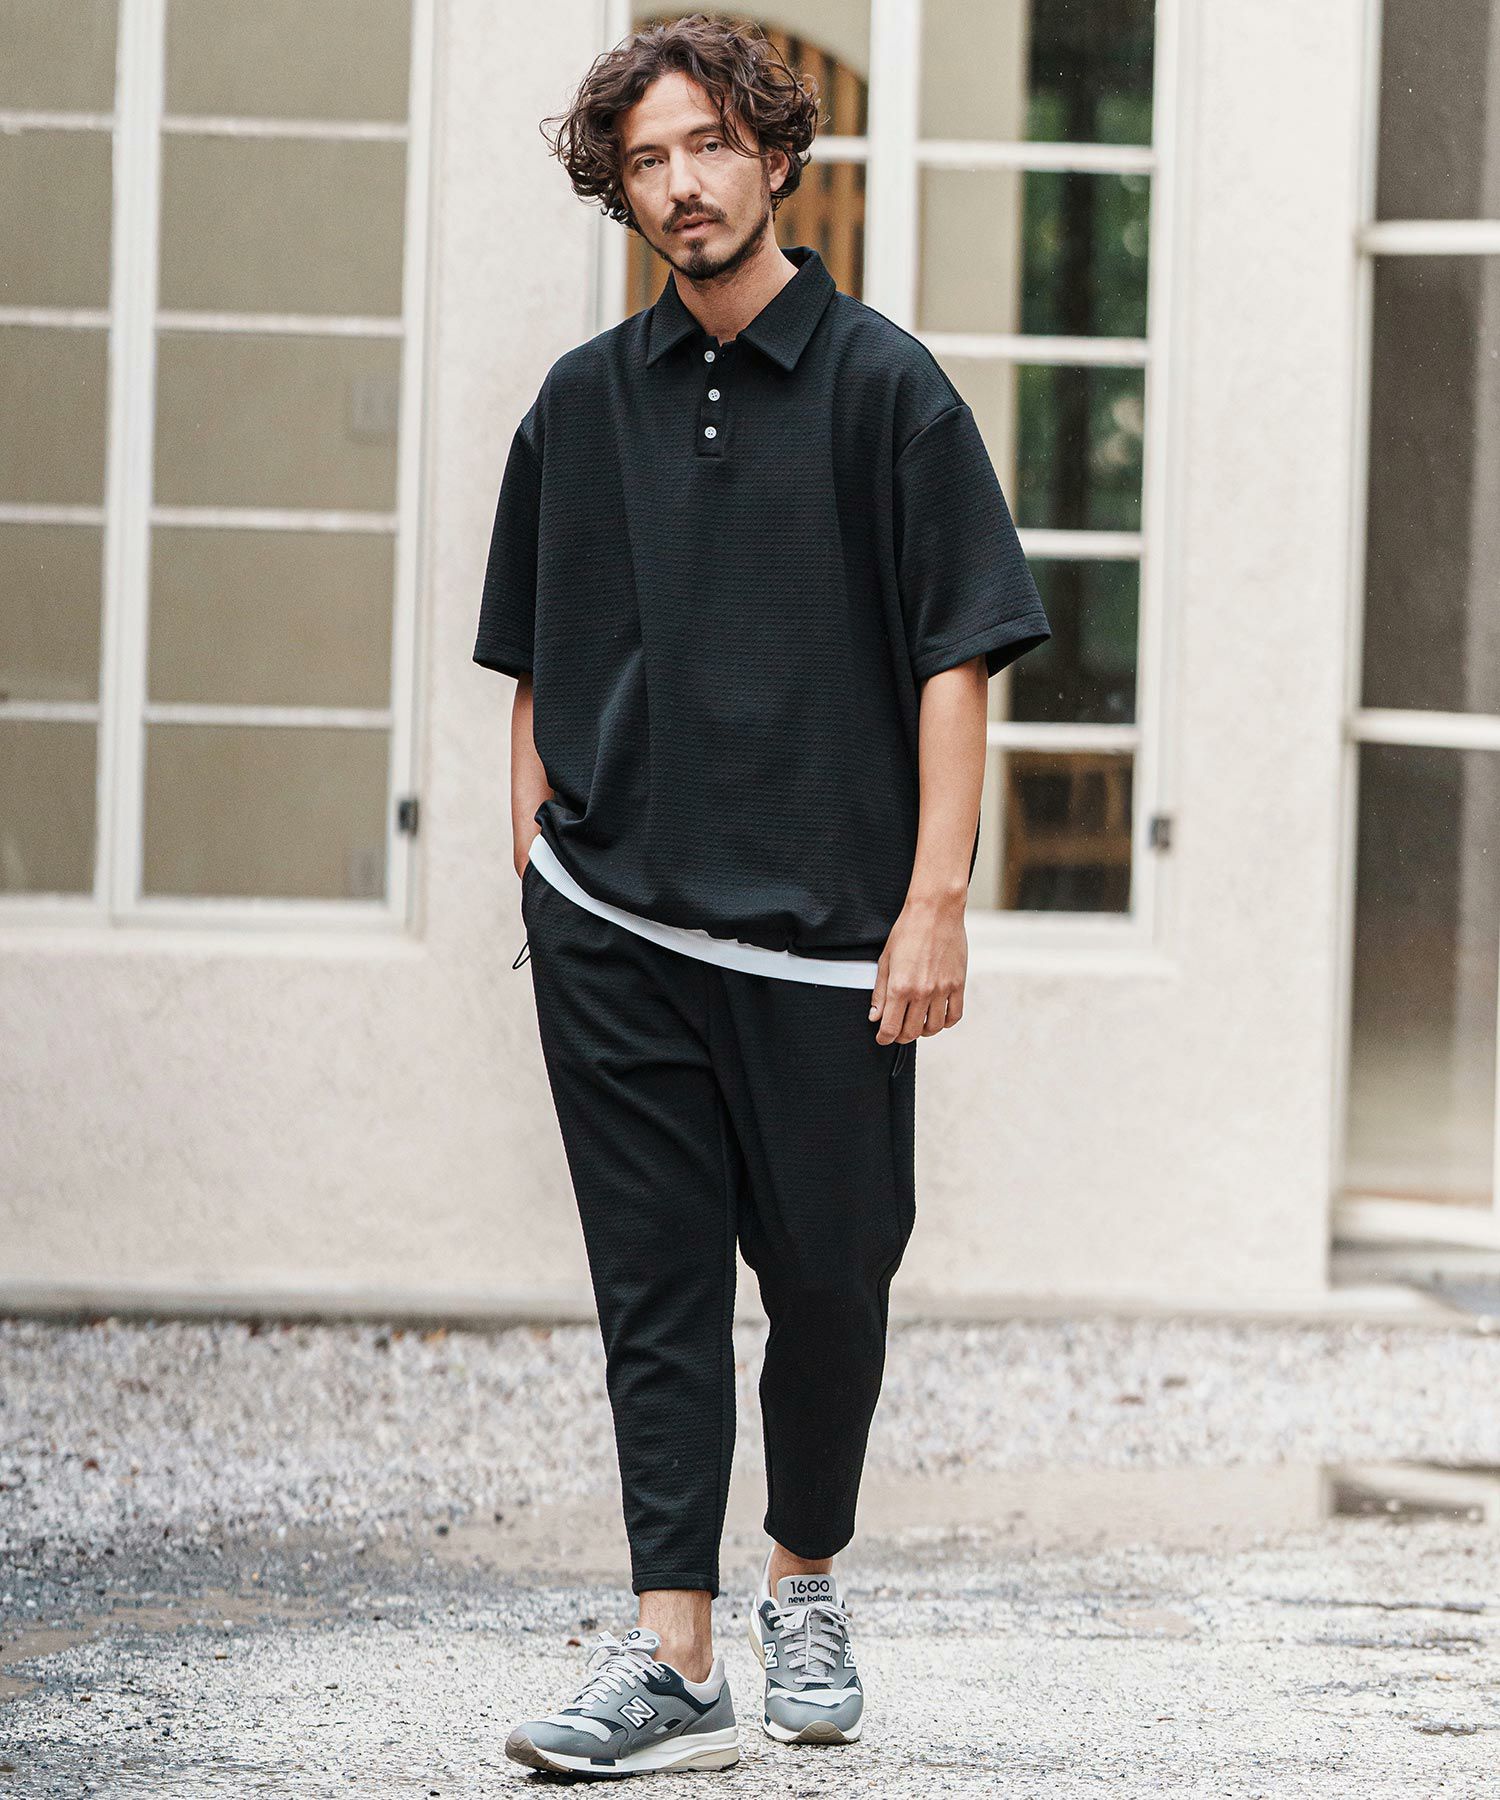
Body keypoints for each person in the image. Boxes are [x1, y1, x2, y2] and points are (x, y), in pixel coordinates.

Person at [474, 12, 1051, 1779]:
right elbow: (532, 663)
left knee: (832, 1279)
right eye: (646, 159)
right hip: (619, 933)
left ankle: (805, 1578)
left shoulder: (889, 392)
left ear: (777, 157)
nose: (681, 185)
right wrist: (541, 874)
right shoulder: (582, 407)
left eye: (709, 146)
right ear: (622, 188)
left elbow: (958, 657)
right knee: (653, 1292)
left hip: (823, 952)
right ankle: (675, 1657)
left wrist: (934, 900)